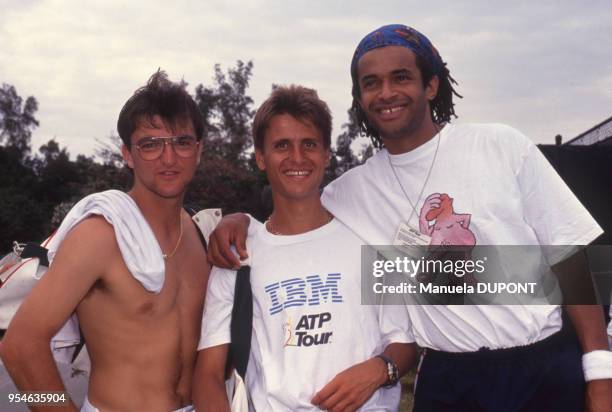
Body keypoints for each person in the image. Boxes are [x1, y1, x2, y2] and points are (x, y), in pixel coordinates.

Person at [208, 25, 612, 412]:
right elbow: (294, 206)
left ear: (430, 85)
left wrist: (600, 374)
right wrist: (241, 219)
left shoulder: (500, 145)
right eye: (371, 83)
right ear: (360, 97)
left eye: (400, 77)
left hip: (543, 368)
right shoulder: (353, 192)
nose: (386, 93)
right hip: (449, 380)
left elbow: (569, 259)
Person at [193, 85, 415, 412]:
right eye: (282, 145)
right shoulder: (238, 252)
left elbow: (404, 342)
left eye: (309, 144)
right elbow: (209, 374)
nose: (297, 158)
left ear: (326, 153)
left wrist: (378, 370)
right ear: (260, 157)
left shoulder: (365, 237)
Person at [0, 71, 209, 412]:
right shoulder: (101, 235)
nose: (169, 159)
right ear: (128, 154)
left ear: (198, 150)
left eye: (181, 142)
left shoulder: (201, 234)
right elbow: (17, 347)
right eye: (151, 144)